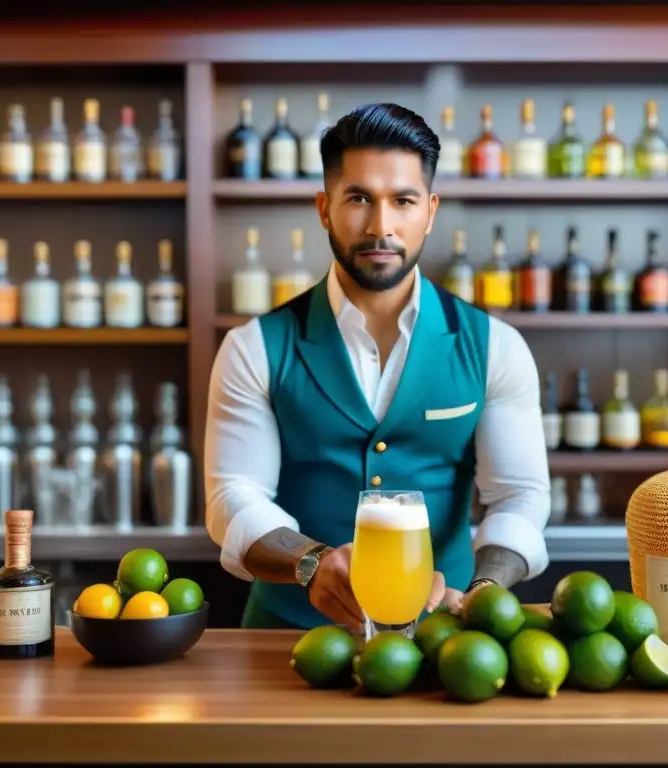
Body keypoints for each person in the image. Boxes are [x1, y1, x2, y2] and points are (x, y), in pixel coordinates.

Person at [204, 102, 550, 630]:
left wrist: (483, 590)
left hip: (445, 640)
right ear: (325, 208)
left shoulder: (495, 347)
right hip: (286, 640)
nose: (380, 226)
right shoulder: (253, 347)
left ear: (430, 212)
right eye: (359, 198)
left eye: (403, 200)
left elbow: (519, 494)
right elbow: (235, 495)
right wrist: (312, 563)